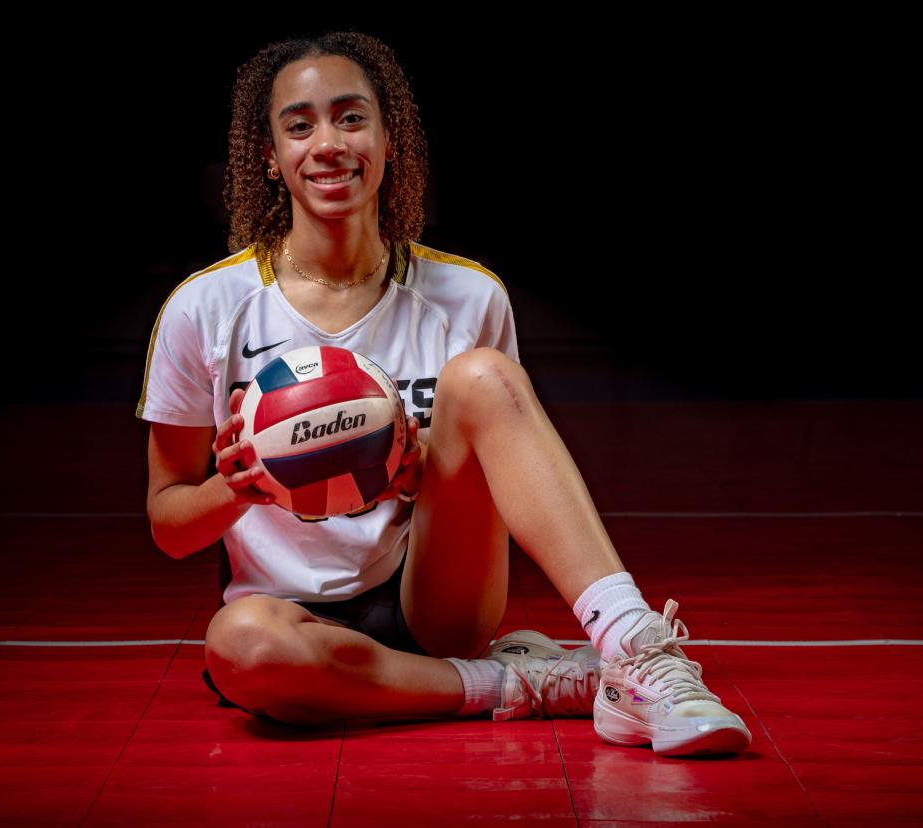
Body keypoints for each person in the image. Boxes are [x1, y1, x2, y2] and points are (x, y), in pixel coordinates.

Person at [138, 31, 752, 757]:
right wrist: (238, 488)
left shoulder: (466, 295)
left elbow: (497, 469)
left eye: (351, 117)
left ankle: (636, 645)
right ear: (269, 157)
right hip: (280, 614)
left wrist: (413, 466)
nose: (327, 143)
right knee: (238, 648)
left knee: (483, 375)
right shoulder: (207, 308)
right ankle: (531, 683)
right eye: (299, 125)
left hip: (430, 597)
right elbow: (169, 522)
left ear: (389, 138)